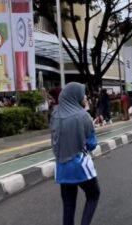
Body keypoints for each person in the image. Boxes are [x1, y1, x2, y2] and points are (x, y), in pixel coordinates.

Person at [50, 82, 100, 225]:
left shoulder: (55, 115)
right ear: (75, 96)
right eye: (83, 94)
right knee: (93, 195)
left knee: (68, 205)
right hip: (79, 165)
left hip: (61, 167)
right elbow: (92, 144)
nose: (84, 97)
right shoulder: (83, 116)